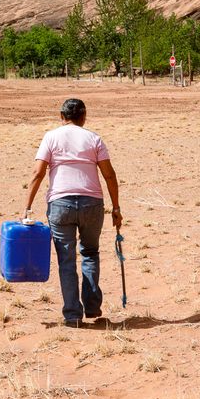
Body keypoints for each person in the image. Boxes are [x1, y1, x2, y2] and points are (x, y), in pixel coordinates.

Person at [24, 97, 122, 326]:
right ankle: (92, 306)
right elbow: (109, 175)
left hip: (60, 205)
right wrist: (116, 208)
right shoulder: (94, 138)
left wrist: (27, 206)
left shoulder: (50, 137)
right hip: (92, 204)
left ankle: (72, 315)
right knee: (90, 253)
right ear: (84, 117)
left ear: (61, 116)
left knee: (66, 261)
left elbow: (37, 174)